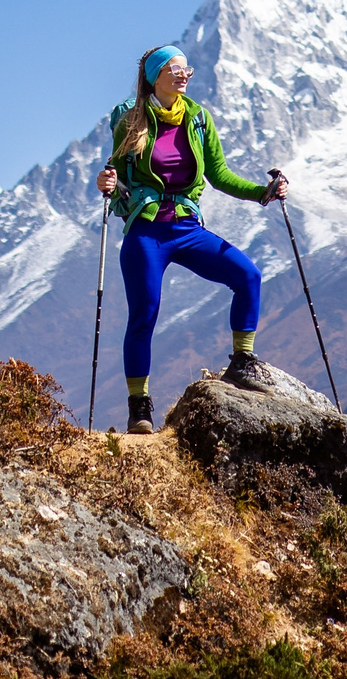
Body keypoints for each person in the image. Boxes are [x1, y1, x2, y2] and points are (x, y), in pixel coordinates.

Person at [96, 44, 285, 433]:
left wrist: (262, 193)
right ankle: (139, 407)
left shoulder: (198, 118)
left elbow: (219, 174)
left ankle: (242, 362)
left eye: (187, 70)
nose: (183, 76)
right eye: (175, 69)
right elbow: (115, 178)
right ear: (155, 77)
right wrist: (106, 184)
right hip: (146, 230)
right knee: (144, 314)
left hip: (186, 227)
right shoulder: (130, 120)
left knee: (247, 276)